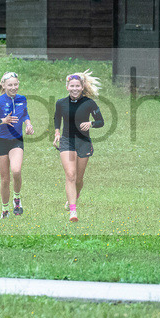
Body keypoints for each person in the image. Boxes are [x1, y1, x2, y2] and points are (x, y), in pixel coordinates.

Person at [53, 71, 104, 223]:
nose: (74, 89)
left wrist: (91, 123)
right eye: (72, 86)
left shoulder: (89, 103)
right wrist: (57, 132)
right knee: (70, 175)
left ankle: (74, 196)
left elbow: (101, 122)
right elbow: (57, 118)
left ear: (82, 87)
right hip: (67, 141)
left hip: (83, 142)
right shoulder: (61, 103)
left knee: (79, 179)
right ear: (67, 87)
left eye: (77, 86)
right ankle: (73, 211)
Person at [0, 71, 34, 218]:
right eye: (10, 85)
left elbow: (24, 113)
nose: (13, 87)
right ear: (4, 86)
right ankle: (4, 209)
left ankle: (17, 199)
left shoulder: (22, 99)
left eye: (16, 84)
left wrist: (28, 124)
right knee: (5, 179)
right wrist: (2, 121)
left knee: (16, 171)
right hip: (1, 142)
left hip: (16, 140)